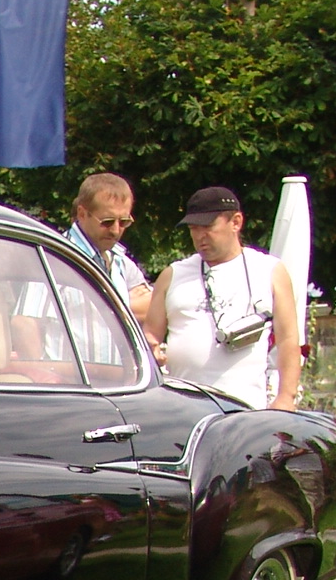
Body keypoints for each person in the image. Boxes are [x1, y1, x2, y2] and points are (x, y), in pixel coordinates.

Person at [142, 185, 301, 411]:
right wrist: (152, 349)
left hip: (245, 408)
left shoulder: (269, 270)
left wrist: (286, 397)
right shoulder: (173, 274)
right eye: (193, 229)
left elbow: (288, 339)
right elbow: (151, 335)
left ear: (236, 222)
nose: (200, 237)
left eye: (208, 227)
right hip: (181, 407)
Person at [64, 172, 152, 319]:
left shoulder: (120, 261)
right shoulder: (56, 257)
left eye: (124, 222)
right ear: (82, 214)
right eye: (107, 222)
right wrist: (123, 305)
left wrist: (96, 309)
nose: (115, 230)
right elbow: (28, 322)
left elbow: (152, 308)